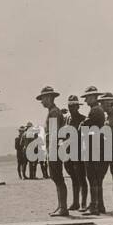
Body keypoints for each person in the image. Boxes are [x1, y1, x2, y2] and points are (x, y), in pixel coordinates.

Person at [36, 85, 70, 217]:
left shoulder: (54, 112)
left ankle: (63, 208)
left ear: (49, 98)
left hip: (55, 148)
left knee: (58, 178)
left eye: (43, 99)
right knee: (56, 178)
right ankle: (61, 206)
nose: (42, 102)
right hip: (53, 148)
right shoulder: (52, 111)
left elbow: (55, 133)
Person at [81, 86, 108, 214]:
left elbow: (85, 126)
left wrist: (83, 124)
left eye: (87, 98)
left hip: (94, 146)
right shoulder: (98, 110)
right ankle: (99, 205)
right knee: (97, 178)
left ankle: (94, 206)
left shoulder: (95, 111)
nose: (86, 101)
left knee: (92, 177)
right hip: (97, 145)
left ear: (93, 97)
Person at [64, 94, 89, 211]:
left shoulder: (83, 119)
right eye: (70, 106)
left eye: (74, 106)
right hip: (68, 152)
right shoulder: (67, 119)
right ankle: (75, 202)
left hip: (79, 153)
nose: (71, 108)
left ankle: (83, 203)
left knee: (82, 178)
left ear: (78, 107)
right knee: (73, 178)